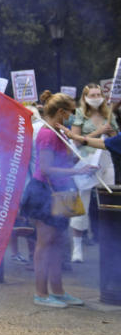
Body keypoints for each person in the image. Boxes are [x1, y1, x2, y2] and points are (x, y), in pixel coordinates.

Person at [20, 91, 97, 309]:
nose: (71, 117)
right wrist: (77, 171)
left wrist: (83, 163)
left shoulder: (57, 132)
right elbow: (46, 169)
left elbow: (62, 161)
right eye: (70, 113)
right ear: (61, 112)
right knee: (45, 244)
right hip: (45, 191)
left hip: (59, 191)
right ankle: (41, 293)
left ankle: (58, 291)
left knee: (58, 243)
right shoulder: (47, 133)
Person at [68, 82, 117, 260]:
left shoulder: (108, 114)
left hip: (106, 162)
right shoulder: (80, 114)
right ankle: (77, 249)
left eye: (98, 95)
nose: (96, 98)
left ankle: (111, 247)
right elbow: (76, 141)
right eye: (93, 95)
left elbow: (116, 140)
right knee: (82, 203)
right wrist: (99, 131)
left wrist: (110, 132)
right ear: (85, 97)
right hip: (86, 162)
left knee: (109, 203)